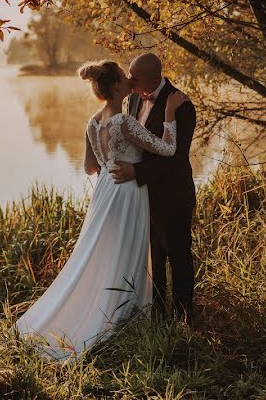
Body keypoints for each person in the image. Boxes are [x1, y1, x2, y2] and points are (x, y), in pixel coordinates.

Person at [14, 59, 189, 363]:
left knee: (105, 251)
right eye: (125, 78)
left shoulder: (92, 122)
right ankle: (123, 316)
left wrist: (111, 165)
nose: (131, 82)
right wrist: (169, 113)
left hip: (106, 189)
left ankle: (109, 308)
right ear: (118, 86)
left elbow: (88, 166)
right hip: (127, 193)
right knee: (129, 251)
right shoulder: (123, 121)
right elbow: (169, 148)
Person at [110, 53, 198, 326]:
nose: (130, 80)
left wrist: (136, 172)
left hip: (173, 194)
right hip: (143, 194)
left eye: (135, 77)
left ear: (154, 78)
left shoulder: (181, 105)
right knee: (154, 257)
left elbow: (176, 156)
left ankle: (185, 316)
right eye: (129, 75)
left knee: (178, 254)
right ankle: (158, 314)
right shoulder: (133, 99)